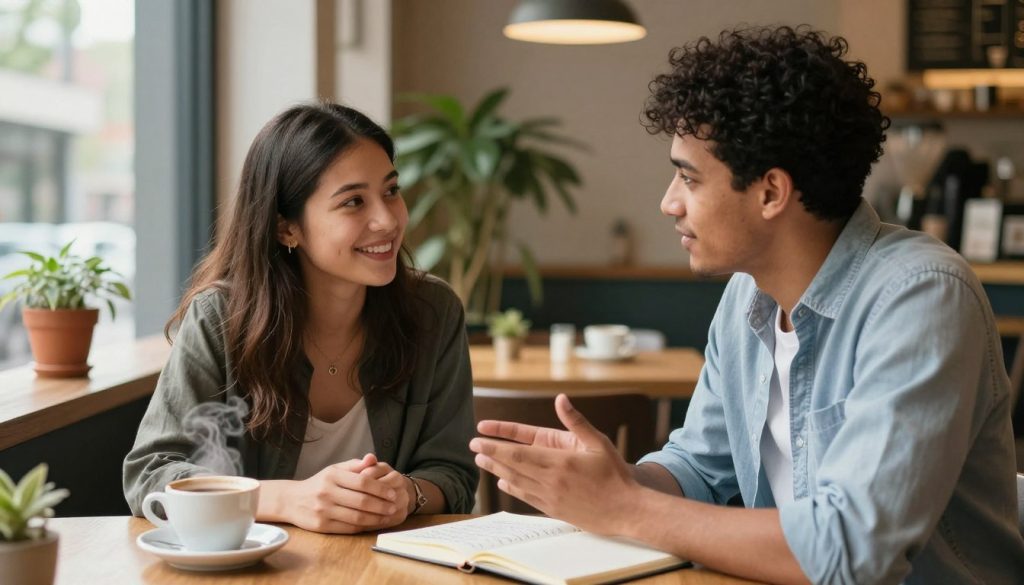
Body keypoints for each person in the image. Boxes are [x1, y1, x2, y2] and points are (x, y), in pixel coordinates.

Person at [470, 26, 1024, 584]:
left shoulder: (921, 296)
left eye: (688, 177)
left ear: (771, 193)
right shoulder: (746, 296)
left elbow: (851, 551)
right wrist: (614, 479)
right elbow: (700, 469)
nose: (669, 203)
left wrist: (627, 508)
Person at [124, 102, 478, 533]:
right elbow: (150, 475)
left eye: (390, 190)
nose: (387, 220)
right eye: (353, 202)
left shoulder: (432, 312)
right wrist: (288, 499)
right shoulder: (219, 318)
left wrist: (406, 493)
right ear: (286, 228)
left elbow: (455, 473)